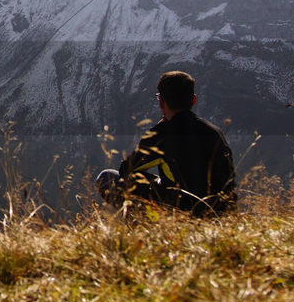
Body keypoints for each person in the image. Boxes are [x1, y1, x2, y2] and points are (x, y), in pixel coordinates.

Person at [97, 71, 237, 217]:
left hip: (183, 217)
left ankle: (141, 229)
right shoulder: (215, 132)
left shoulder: (162, 134)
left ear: (161, 102)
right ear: (193, 100)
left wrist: (156, 131)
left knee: (108, 178)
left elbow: (127, 169)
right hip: (222, 216)